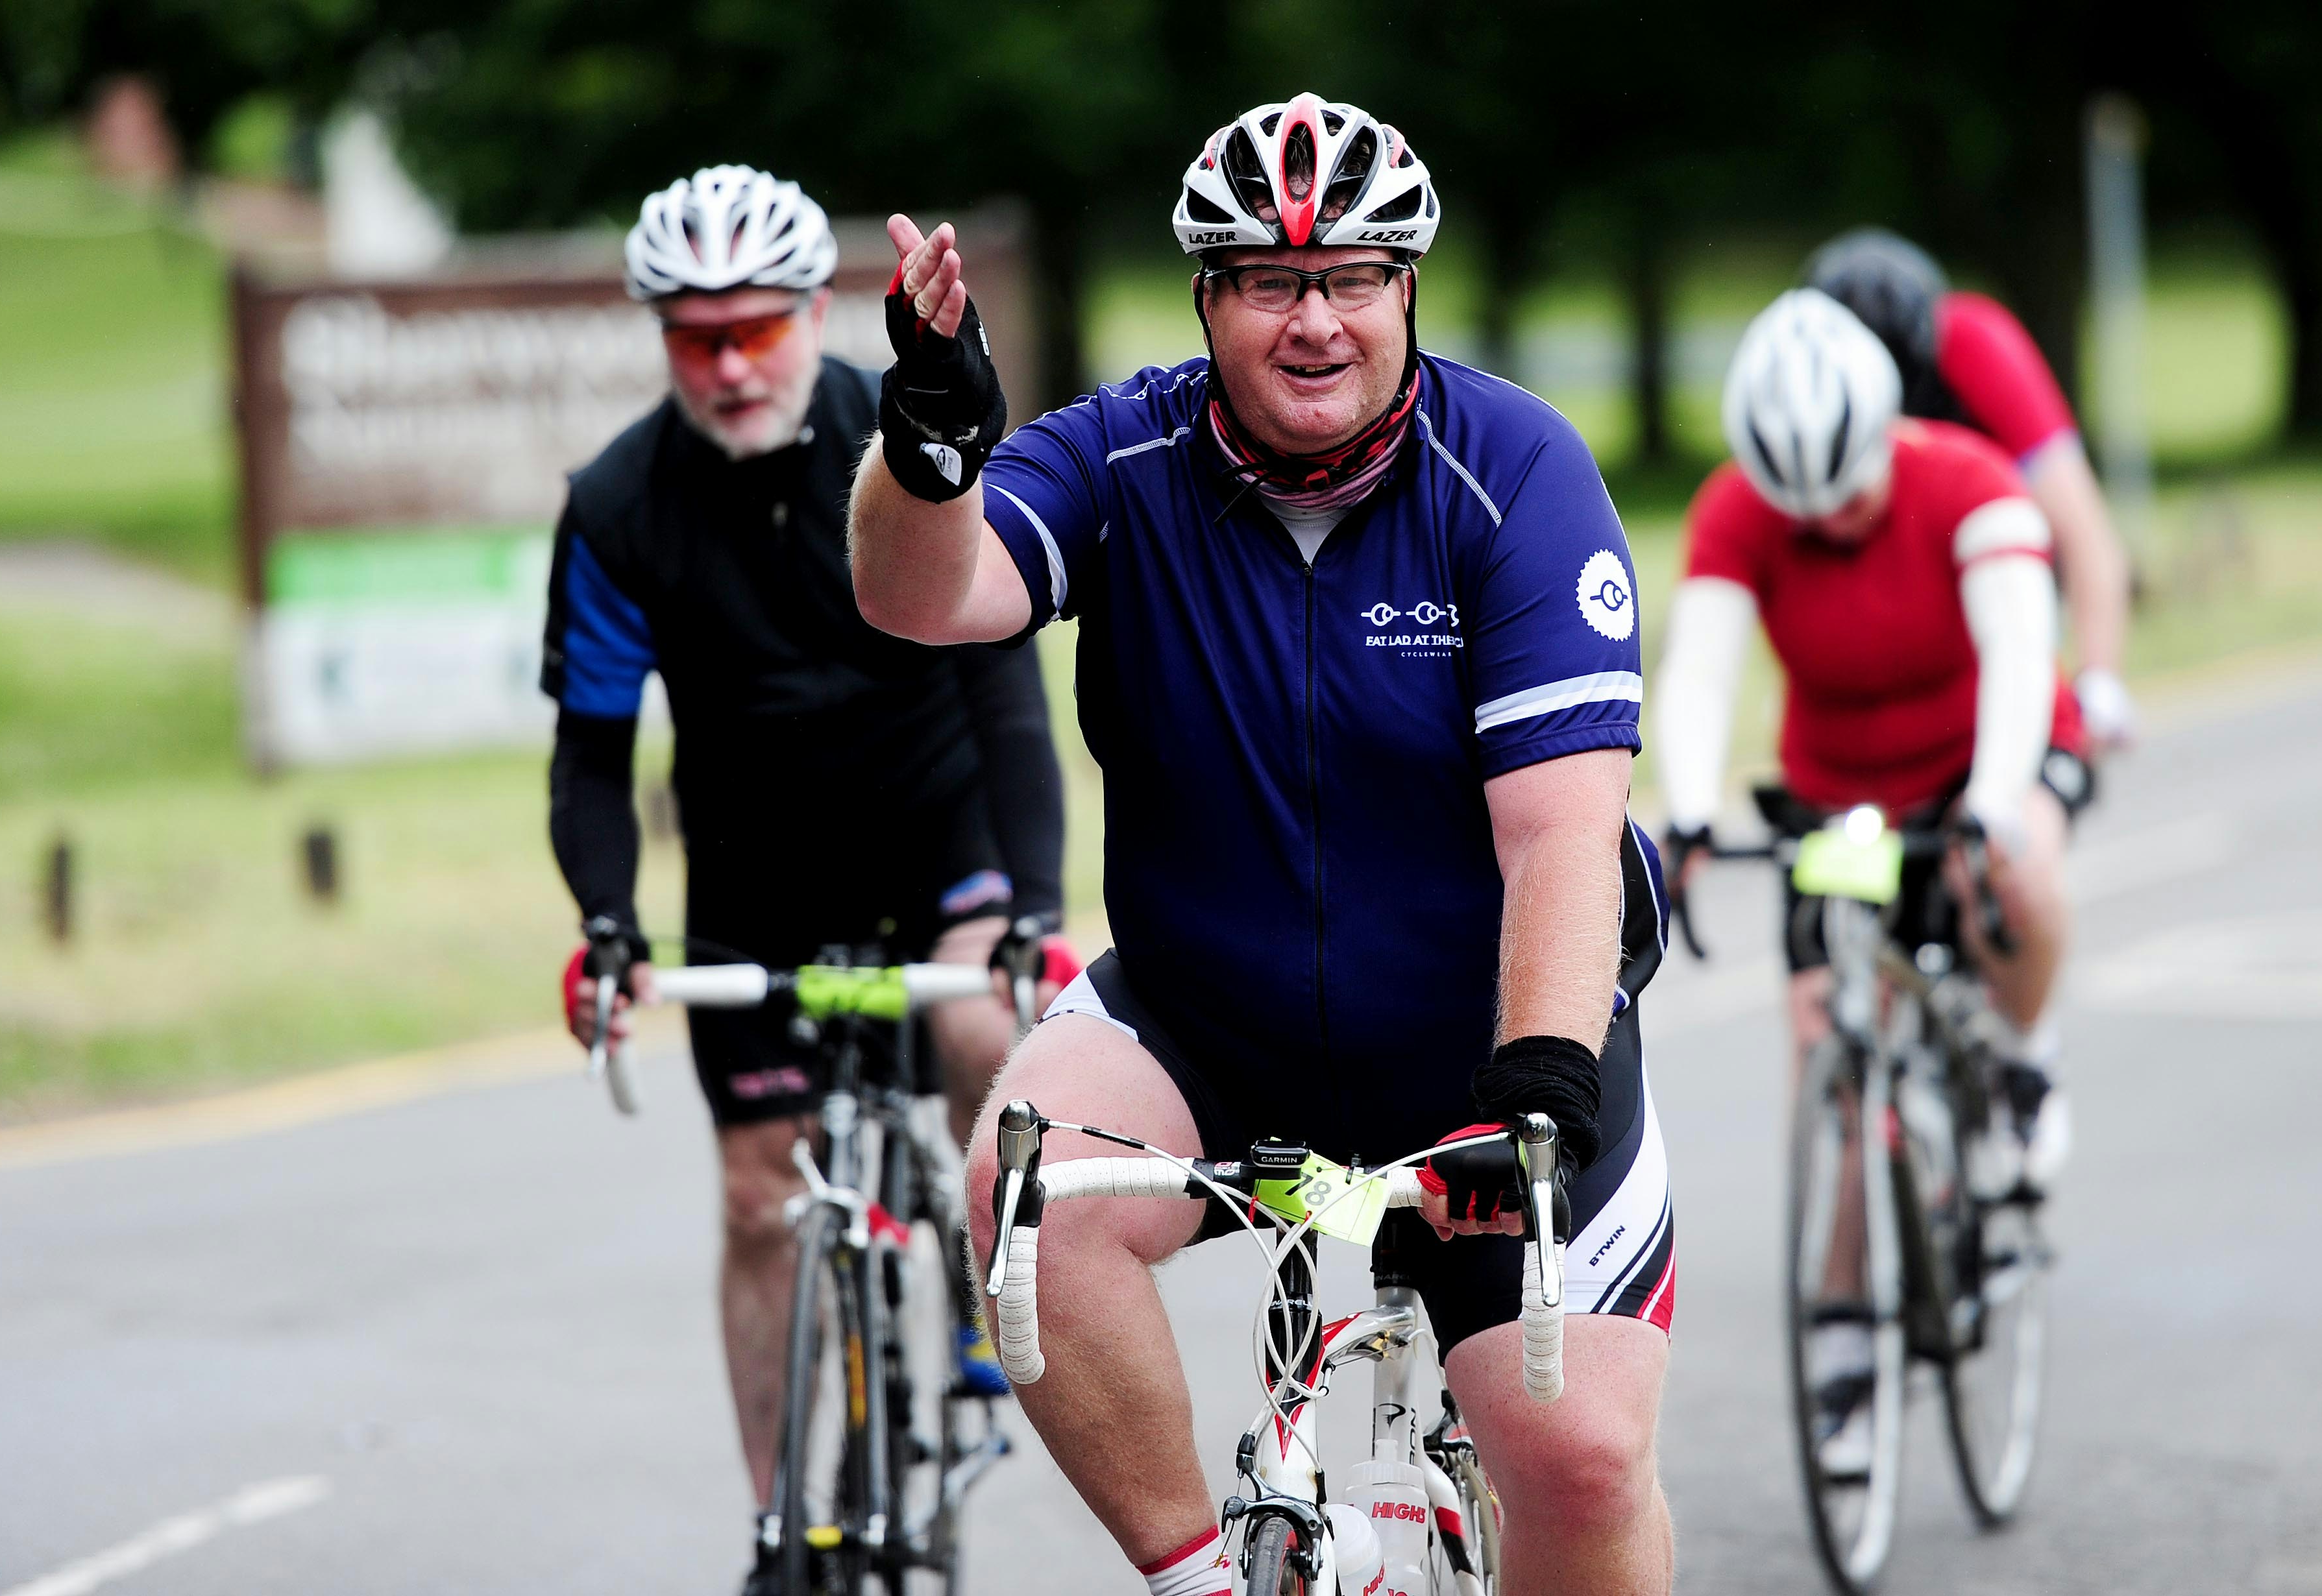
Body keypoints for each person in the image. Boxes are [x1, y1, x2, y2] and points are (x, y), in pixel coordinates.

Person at [847, 94, 1677, 1596]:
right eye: (1269, 281)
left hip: (1486, 1033)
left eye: (1352, 277)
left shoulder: (1519, 474)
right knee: (1017, 1192)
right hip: (1208, 1013)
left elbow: (1562, 827)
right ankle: (1202, 1579)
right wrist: (929, 447)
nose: (1315, 321)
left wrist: (1541, 1082)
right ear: (1207, 299)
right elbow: (926, 596)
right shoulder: (1125, 456)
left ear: (1407, 286)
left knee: (1583, 1458)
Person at [541, 164, 1073, 1593]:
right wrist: (609, 923)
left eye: (757, 330)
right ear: (660, 336)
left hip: (937, 830)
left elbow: (1009, 698)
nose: (728, 366)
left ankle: (979, 1285)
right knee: (755, 1193)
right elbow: (593, 754)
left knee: (978, 1032)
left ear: (813, 314)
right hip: (756, 872)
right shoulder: (614, 506)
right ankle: (780, 1526)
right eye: (694, 336)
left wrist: (1032, 909)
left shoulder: (890, 435)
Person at [1651, 289, 2086, 1469]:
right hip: (1839, 794)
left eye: (1846, 493)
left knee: (2028, 872)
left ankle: (2023, 1068)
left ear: (1885, 435)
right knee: (1829, 1053)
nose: (1829, 522)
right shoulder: (1740, 510)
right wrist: (1687, 808)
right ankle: (1844, 1321)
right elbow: (1698, 668)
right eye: (1802, 506)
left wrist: (1993, 810)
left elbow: (2015, 655)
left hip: (1981, 756)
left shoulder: (1970, 484)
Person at [1805, 227, 2140, 750]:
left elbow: (2084, 531)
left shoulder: (1975, 342)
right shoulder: (1800, 378)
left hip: (1998, 564)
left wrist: (2098, 682)